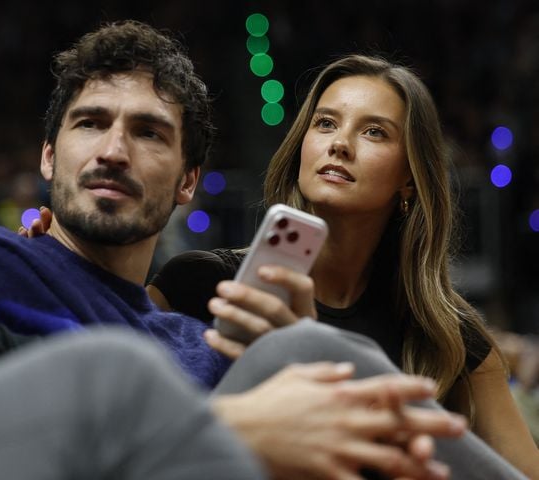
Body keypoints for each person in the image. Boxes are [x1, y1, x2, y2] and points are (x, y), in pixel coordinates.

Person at [0, 22, 479, 480]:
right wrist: (235, 424)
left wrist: (283, 362)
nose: (112, 151)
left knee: (309, 347)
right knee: (112, 378)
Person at [147, 54, 539, 476]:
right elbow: (130, 439)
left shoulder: (448, 337)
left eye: (374, 132)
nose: (339, 143)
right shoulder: (196, 284)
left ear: (409, 177)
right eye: (325, 123)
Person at [0, 20, 229, 387]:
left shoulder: (205, 347)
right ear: (48, 157)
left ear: (187, 180)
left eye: (148, 133)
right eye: (91, 123)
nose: (113, 153)